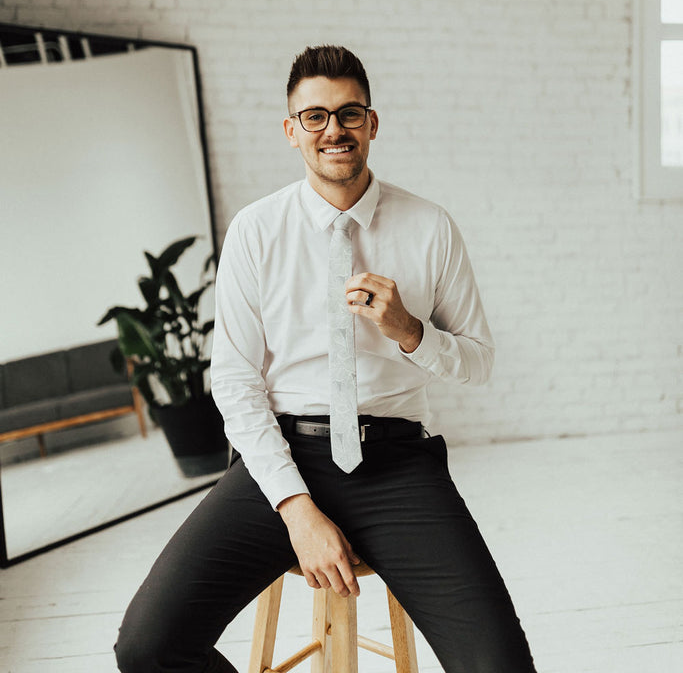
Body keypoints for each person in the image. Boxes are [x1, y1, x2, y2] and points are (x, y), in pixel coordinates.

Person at [115, 45, 536, 673]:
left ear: (371, 122)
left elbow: (477, 363)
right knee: (148, 646)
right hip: (284, 461)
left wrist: (408, 330)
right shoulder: (256, 231)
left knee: (501, 665)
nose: (332, 129)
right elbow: (233, 382)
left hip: (399, 464)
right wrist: (296, 507)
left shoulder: (430, 227)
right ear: (291, 131)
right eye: (314, 116)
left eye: (348, 113)